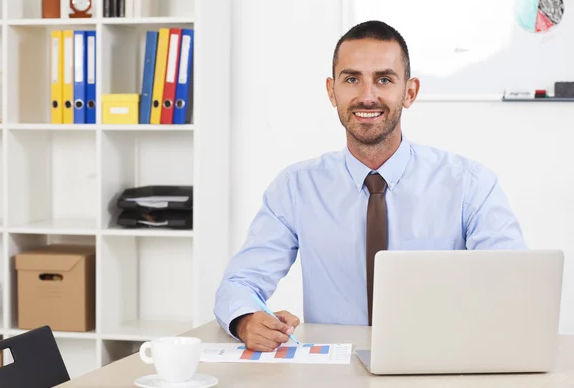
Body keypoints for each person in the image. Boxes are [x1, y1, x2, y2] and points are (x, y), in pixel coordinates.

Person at [214, 20, 526, 352]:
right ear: (331, 91)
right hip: (335, 370)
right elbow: (238, 284)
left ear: (409, 92)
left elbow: (513, 285)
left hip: (438, 362)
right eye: (351, 79)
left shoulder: (469, 185)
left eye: (384, 79)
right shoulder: (295, 188)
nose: (367, 96)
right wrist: (247, 319)